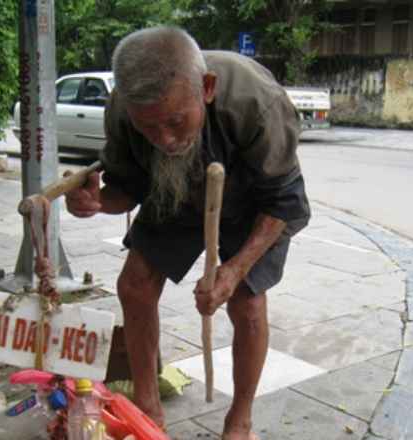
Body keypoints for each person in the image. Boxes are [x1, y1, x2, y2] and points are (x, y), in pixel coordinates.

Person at [64, 26, 310, 440]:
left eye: (177, 121)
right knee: (134, 284)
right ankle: (147, 411)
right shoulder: (125, 111)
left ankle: (240, 422)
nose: (165, 139)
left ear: (207, 88)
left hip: (253, 204)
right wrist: (96, 202)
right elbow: (131, 186)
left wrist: (232, 271)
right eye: (149, 128)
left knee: (247, 303)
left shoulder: (255, 102)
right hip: (173, 194)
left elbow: (282, 202)